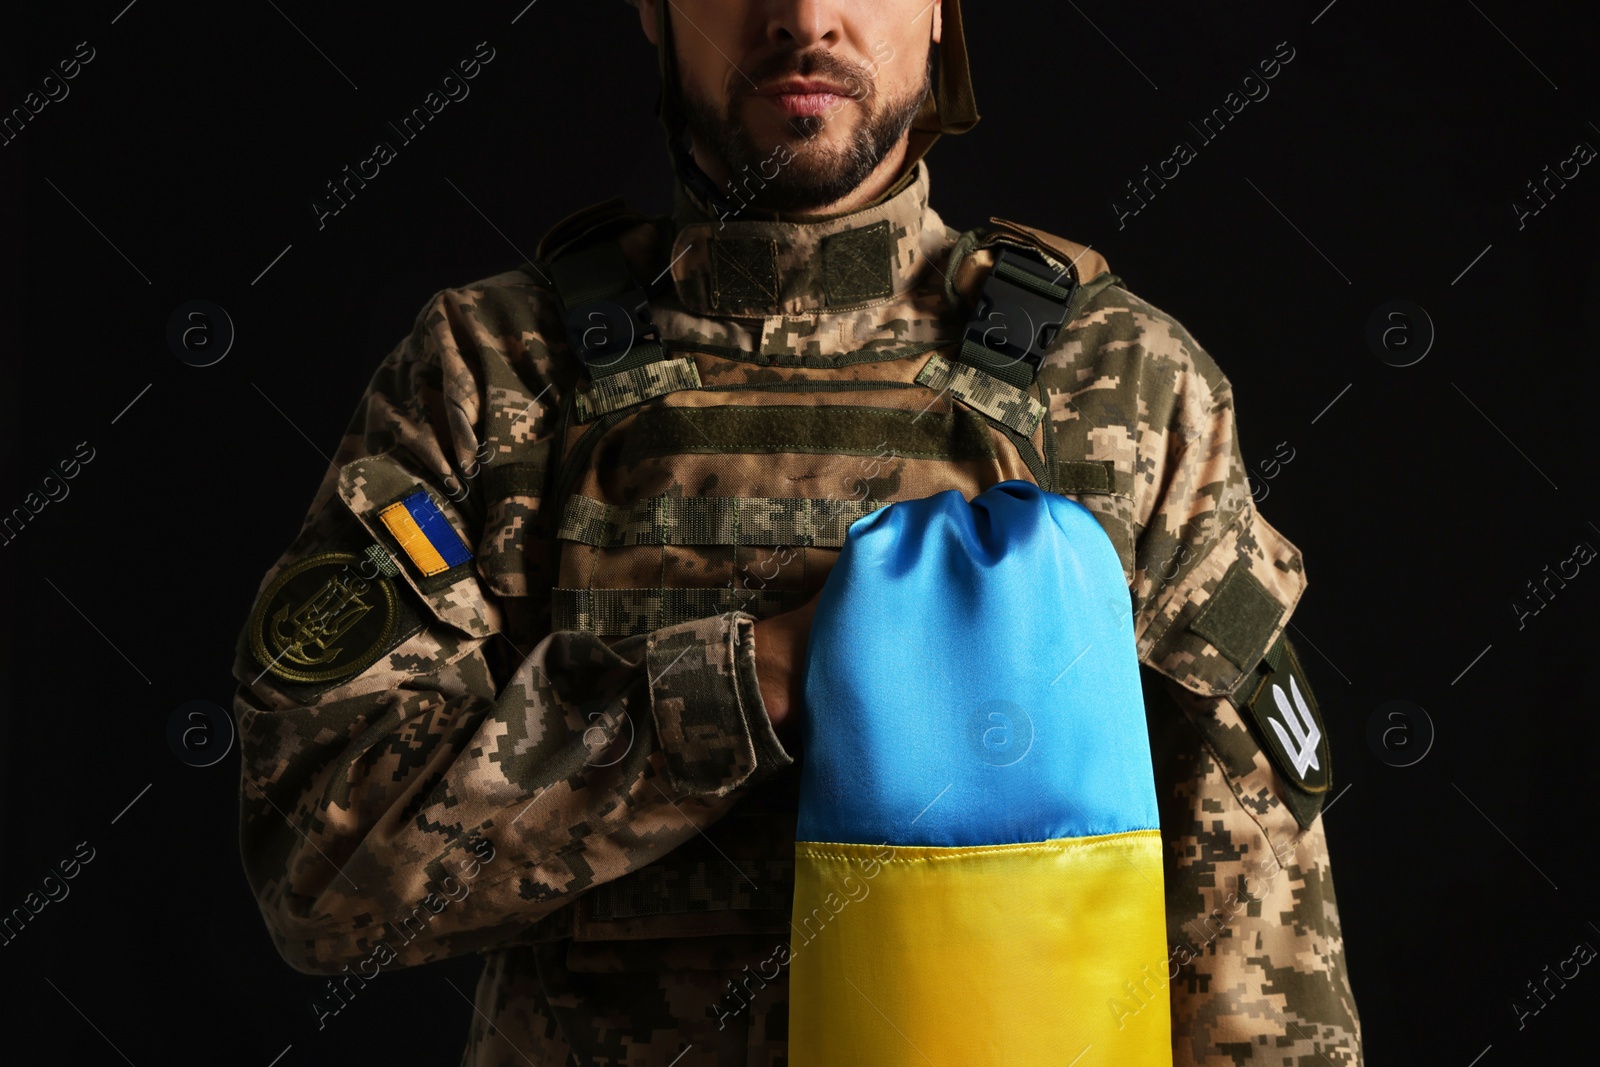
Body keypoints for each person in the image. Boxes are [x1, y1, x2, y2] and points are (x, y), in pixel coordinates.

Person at [230, 1, 1364, 1063]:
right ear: (656, 11)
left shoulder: (1120, 381)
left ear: (939, 12)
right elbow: (323, 875)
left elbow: (1259, 950)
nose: (802, 16)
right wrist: (757, 676)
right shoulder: (490, 372)